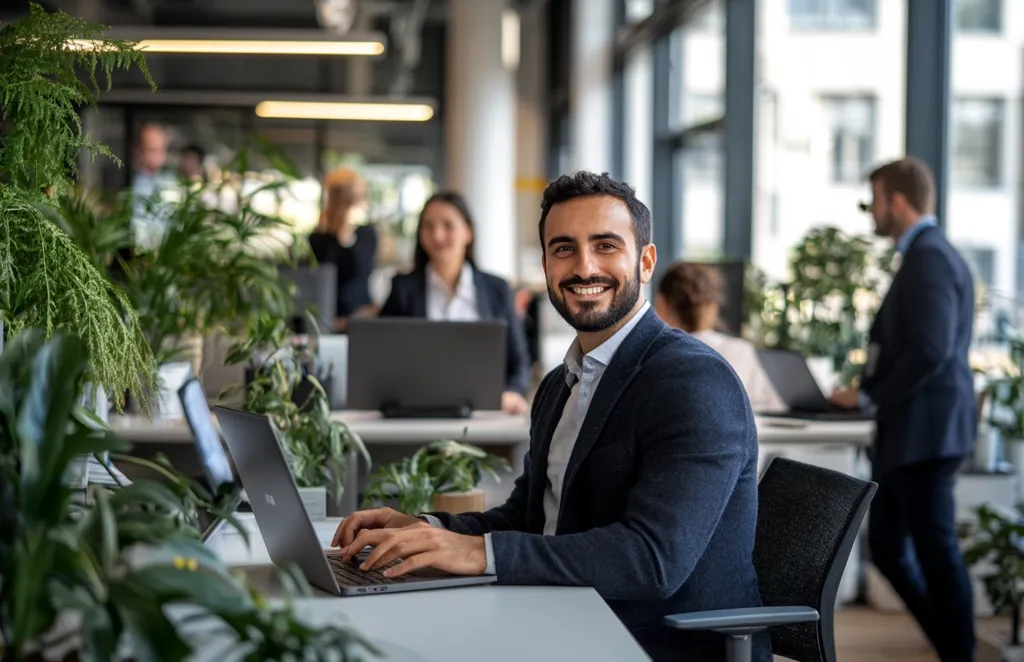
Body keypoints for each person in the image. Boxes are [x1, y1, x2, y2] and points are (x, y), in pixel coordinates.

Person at [334, 172, 769, 662]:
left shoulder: (693, 382)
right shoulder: (564, 381)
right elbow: (530, 517)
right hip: (567, 613)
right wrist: (426, 529)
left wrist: (476, 554)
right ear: (544, 265)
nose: (584, 267)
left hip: (652, 641)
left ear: (645, 262)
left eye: (606, 246)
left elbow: (651, 560)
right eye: (563, 249)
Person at [830, 157, 976, 662]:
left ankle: (959, 650)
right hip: (915, 430)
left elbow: (930, 352)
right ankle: (951, 643)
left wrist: (870, 396)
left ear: (896, 200)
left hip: (925, 433)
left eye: (874, 200)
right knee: (890, 548)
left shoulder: (930, 258)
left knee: (934, 552)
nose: (871, 212)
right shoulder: (927, 255)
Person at [379, 191, 532, 415]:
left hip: (485, 414)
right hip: (417, 413)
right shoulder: (403, 289)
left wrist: (513, 392)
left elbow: (519, 362)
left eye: (447, 225)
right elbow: (382, 357)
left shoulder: (497, 290)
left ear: (468, 232)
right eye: (428, 226)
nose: (437, 235)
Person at [655, 262, 785, 413]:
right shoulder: (741, 351)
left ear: (661, 304)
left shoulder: (656, 355)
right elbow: (775, 409)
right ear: (713, 306)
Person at [307, 167, 379, 331]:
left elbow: (364, 278)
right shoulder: (318, 241)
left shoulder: (367, 236)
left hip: (362, 320)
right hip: (324, 322)